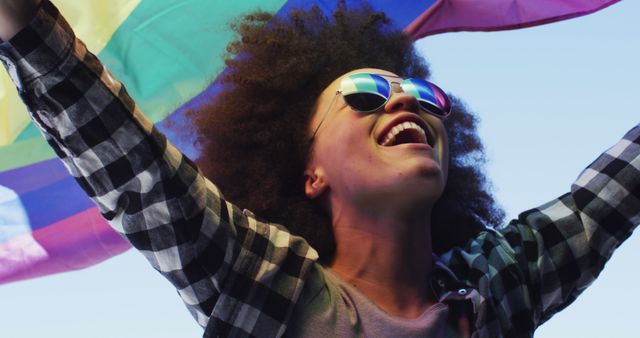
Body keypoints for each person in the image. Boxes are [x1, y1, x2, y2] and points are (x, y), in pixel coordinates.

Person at [1, 1, 638, 337]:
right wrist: (22, 24)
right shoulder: (264, 283)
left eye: (427, 100)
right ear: (311, 173)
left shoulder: (498, 289)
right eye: (363, 93)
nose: (403, 100)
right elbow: (132, 168)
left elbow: (600, 203)